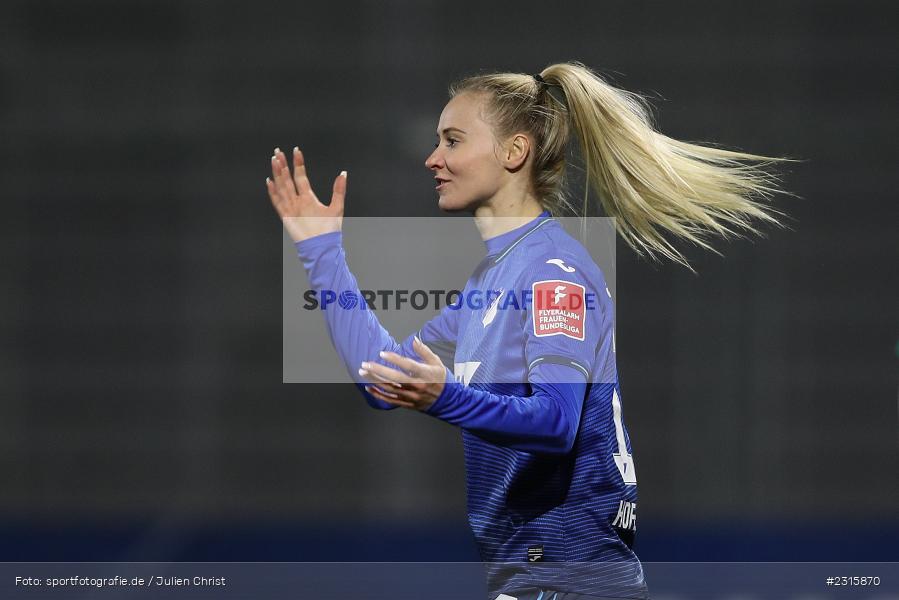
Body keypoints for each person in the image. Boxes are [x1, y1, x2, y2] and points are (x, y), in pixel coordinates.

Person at [266, 62, 791, 600]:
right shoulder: (490, 282)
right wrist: (321, 253)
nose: (433, 158)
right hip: (532, 577)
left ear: (514, 153)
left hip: (572, 576)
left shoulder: (551, 272)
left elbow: (557, 422)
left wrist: (444, 396)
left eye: (452, 140)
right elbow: (382, 381)